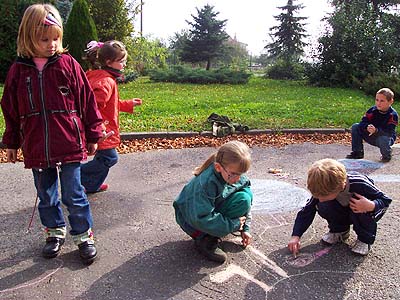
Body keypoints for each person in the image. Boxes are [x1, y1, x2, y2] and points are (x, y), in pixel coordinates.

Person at [0, 4, 103, 264]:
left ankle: (83, 236)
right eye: (44, 39)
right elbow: (10, 110)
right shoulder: (18, 71)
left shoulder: (68, 64)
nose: (51, 44)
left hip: (69, 140)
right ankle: (55, 232)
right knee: (46, 194)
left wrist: (92, 135)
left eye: (56, 38)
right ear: (27, 38)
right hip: (36, 144)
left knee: (73, 193)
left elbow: (87, 101)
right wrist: (11, 142)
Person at [288, 158, 392, 257]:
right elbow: (307, 211)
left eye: (323, 196)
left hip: (364, 209)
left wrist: (371, 205)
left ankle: (365, 240)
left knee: (359, 207)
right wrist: (296, 235)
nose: (320, 199)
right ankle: (340, 230)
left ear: (341, 186)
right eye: (317, 196)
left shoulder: (359, 183)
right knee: (322, 205)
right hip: (344, 209)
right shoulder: (322, 189)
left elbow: (385, 200)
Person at [173, 141, 253, 263]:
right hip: (191, 220)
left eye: (241, 174)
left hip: (207, 208)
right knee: (208, 225)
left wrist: (245, 228)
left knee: (244, 198)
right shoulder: (206, 184)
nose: (238, 179)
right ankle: (205, 239)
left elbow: (246, 191)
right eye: (234, 175)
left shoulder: (231, 171)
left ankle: (217, 229)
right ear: (218, 167)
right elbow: (200, 217)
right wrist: (234, 224)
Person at [80, 40, 142, 193]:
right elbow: (93, 107)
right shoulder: (105, 81)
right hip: (103, 131)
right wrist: (98, 128)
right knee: (109, 158)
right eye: (121, 61)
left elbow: (110, 103)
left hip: (103, 129)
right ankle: (76, 173)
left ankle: (91, 185)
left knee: (103, 158)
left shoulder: (100, 76)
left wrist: (128, 104)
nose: (124, 65)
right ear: (109, 62)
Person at [346, 88, 398, 162]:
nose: (378, 103)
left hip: (384, 137)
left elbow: (389, 131)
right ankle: (358, 152)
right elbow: (363, 122)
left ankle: (386, 155)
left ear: (390, 102)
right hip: (370, 134)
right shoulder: (372, 110)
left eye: (382, 101)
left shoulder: (392, 115)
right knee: (355, 126)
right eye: (377, 100)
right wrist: (367, 127)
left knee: (383, 139)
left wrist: (376, 130)